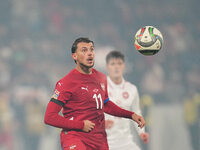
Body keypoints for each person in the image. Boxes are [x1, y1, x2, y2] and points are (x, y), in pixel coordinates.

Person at [44, 37, 146, 150]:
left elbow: (106, 105)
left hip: (99, 140)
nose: (89, 53)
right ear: (75, 56)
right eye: (84, 50)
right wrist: (81, 125)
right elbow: (49, 117)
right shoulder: (66, 83)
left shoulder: (101, 78)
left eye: (91, 49)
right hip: (75, 138)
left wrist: (131, 115)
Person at [105, 51, 149, 150]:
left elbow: (136, 112)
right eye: (113, 64)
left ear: (124, 66)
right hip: (106, 143)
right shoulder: (100, 88)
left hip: (126, 142)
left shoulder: (132, 89)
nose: (116, 67)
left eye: (119, 63)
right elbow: (90, 112)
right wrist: (101, 122)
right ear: (107, 67)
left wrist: (142, 133)